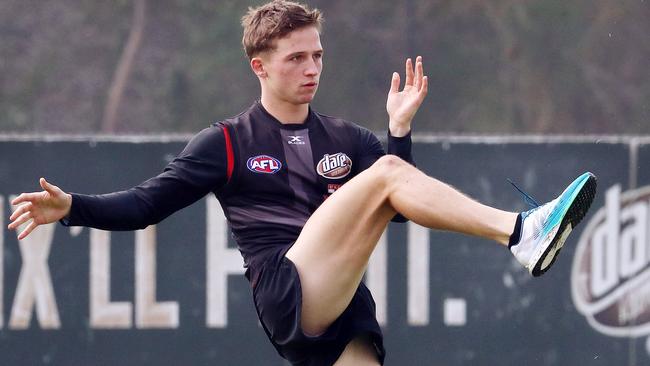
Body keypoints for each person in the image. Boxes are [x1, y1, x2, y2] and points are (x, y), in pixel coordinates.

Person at [7, 1, 597, 365]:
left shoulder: (346, 137)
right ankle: (520, 231)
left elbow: (399, 207)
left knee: (389, 172)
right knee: (388, 174)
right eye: (295, 58)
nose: (312, 68)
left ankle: (522, 234)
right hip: (289, 289)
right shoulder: (227, 142)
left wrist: (397, 131)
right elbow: (146, 204)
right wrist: (74, 207)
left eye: (317, 55)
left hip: (341, 309)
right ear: (259, 66)